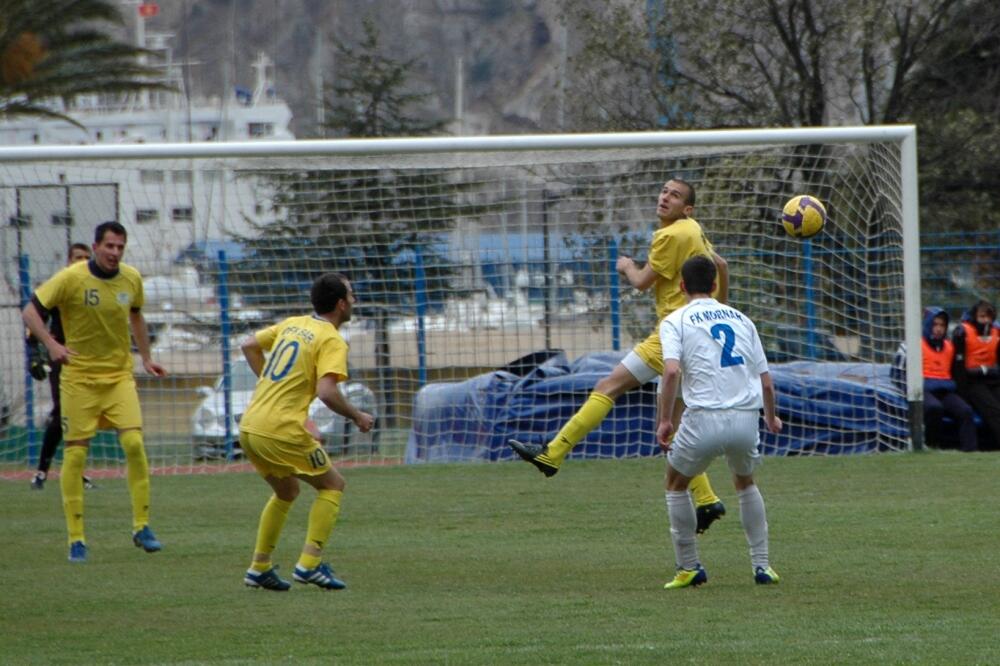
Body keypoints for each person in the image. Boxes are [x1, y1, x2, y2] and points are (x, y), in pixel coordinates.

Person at [509, 178, 730, 532]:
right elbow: (722, 265)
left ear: (687, 209)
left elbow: (642, 281)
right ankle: (706, 500)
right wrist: (720, 308)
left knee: (608, 386)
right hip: (700, 336)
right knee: (671, 431)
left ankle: (553, 454)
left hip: (672, 334)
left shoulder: (671, 235)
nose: (665, 197)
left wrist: (626, 266)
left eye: (674, 195)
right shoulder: (695, 231)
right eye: (663, 191)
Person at [22, 222, 167, 563]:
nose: (115, 253)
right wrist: (51, 344)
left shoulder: (131, 278)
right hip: (78, 379)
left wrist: (146, 357)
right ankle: (76, 539)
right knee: (75, 455)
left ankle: (142, 526)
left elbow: (136, 317)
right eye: (110, 246)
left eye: (120, 247)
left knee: (133, 443)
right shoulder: (71, 277)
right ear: (96, 246)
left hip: (119, 377)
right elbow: (30, 312)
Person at [240, 272, 375, 591]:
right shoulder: (331, 339)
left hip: (250, 425)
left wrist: (269, 383)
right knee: (333, 485)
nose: (354, 301)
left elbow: (248, 345)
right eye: (352, 295)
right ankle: (310, 564)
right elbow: (327, 392)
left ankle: (259, 568)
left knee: (286, 492)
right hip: (280, 428)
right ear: (341, 304)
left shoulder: (293, 323)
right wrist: (357, 416)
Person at [655, 255, 782, 589]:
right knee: (745, 482)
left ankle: (689, 567)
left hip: (703, 419)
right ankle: (762, 566)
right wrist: (771, 417)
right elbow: (766, 382)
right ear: (715, 285)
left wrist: (665, 421)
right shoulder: (742, 319)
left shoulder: (675, 321)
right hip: (745, 418)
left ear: (682, 286)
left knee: (675, 483)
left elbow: (671, 371)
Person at [29, 243, 98, 490]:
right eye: (78, 257)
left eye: (86, 258)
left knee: (84, 416)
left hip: (88, 360)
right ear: (69, 260)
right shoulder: (60, 285)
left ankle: (76, 471)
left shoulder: (94, 288)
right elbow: (36, 318)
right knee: (62, 413)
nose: (82, 261)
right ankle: (41, 472)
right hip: (62, 358)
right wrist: (36, 353)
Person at [891, 308, 978, 451]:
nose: (938, 329)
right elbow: (896, 373)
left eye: (942, 325)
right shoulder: (911, 345)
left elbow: (956, 373)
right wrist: (908, 390)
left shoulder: (950, 347)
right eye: (935, 324)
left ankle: (970, 452)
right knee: (934, 408)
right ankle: (932, 445)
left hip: (944, 389)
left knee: (966, 411)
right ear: (927, 324)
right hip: (923, 388)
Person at [952, 300, 1000, 450]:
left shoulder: (996, 333)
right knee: (993, 410)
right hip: (973, 382)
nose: (986, 320)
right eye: (982, 316)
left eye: (989, 317)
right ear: (974, 317)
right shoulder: (962, 333)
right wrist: (962, 392)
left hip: (992, 379)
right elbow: (958, 367)